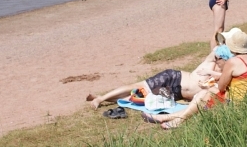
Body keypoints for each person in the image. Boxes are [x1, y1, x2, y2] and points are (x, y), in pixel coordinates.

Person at [148, 28, 247, 129]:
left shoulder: (233, 62)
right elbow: (241, 81)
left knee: (206, 92)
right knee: (205, 92)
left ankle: (178, 120)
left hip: (238, 103)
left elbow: (222, 87)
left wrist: (209, 85)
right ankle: (168, 117)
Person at [87, 46, 229, 109]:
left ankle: (102, 97)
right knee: (136, 87)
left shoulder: (221, 77)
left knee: (139, 99)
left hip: (176, 93)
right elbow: (216, 48)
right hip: (172, 78)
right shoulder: (210, 62)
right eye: (224, 60)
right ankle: (100, 99)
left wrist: (215, 75)